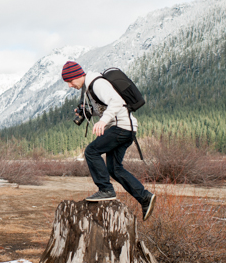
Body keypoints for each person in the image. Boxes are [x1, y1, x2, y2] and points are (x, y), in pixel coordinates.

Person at [61, 60, 156, 220]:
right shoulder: (90, 88)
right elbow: (105, 107)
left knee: (91, 152)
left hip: (121, 127)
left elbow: (117, 102)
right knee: (114, 169)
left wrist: (103, 121)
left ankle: (105, 189)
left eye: (70, 81)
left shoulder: (97, 83)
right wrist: (89, 112)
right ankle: (145, 197)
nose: (70, 85)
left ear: (77, 76)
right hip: (127, 128)